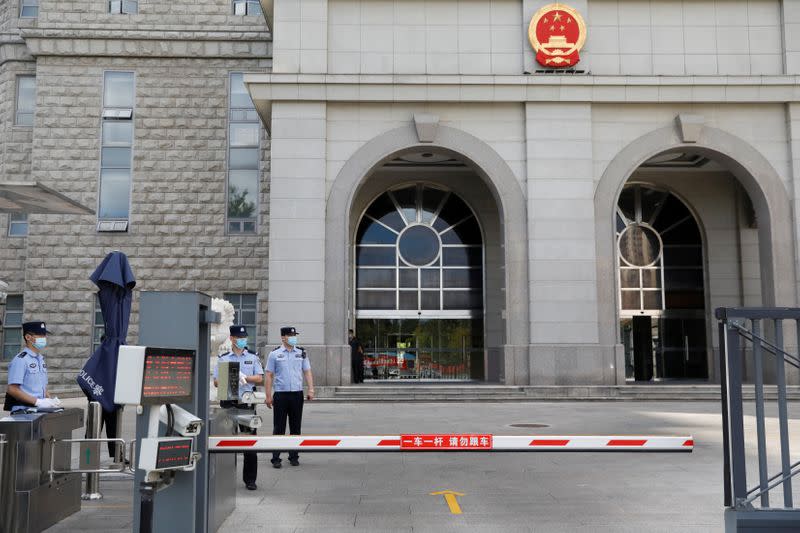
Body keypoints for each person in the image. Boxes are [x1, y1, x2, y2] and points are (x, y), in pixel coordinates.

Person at [213, 325, 264, 490]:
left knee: (249, 444)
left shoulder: (252, 357)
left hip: (246, 404)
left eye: (244, 338)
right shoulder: (224, 358)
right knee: (227, 444)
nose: (243, 340)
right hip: (228, 404)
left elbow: (259, 378)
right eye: (239, 338)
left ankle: (250, 480)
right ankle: (225, 479)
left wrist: (246, 378)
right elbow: (216, 382)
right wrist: (232, 376)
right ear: (232, 339)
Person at [264, 326, 314, 468]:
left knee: (295, 427)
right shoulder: (275, 354)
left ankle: (293, 456)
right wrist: (268, 396)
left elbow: (307, 371)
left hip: (297, 394)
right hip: (281, 394)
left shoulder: (301, 353)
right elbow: (268, 375)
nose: (293, 337)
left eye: (294, 335)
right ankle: (276, 457)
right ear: (283, 338)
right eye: (290, 335)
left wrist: (311, 389)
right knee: (279, 427)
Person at [4, 321, 61, 413]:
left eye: (44, 335)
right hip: (24, 411)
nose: (44, 338)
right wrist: (38, 402)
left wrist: (50, 401)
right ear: (28, 337)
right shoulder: (21, 360)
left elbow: (42, 387)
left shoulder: (40, 359)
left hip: (38, 410)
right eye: (40, 335)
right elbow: (12, 389)